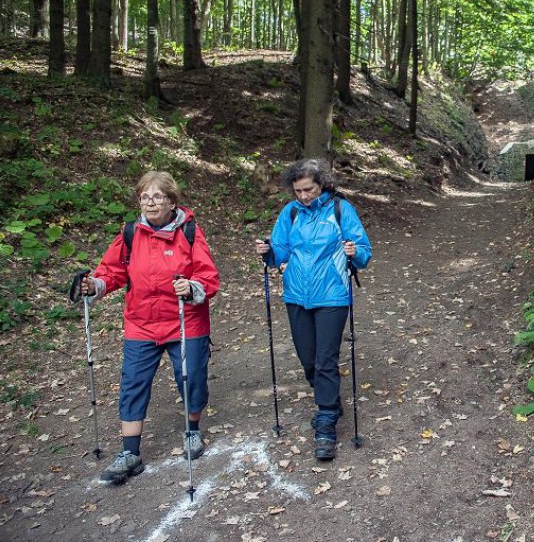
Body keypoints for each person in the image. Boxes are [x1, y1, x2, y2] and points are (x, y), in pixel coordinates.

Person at [81, 171, 220, 484]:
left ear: (172, 201)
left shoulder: (189, 232)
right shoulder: (131, 232)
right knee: (133, 381)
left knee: (191, 376)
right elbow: (112, 272)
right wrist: (95, 285)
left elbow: (208, 276)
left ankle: (192, 432)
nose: (150, 202)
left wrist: (192, 286)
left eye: (157, 196)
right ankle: (130, 452)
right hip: (141, 322)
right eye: (144, 197)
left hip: (185, 320)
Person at [254, 159, 371, 461]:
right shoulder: (290, 213)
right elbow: (281, 250)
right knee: (308, 359)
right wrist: (268, 252)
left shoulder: (340, 210)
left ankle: (327, 421)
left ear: (322, 184)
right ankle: (329, 399)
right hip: (296, 295)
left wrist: (354, 251)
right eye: (298, 191)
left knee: (325, 359)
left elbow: (364, 251)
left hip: (332, 295)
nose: (304, 196)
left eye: (309, 189)